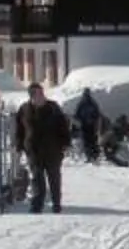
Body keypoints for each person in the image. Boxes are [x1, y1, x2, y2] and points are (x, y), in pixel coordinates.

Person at [18, 83, 73, 214]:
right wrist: (19, 145)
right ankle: (37, 206)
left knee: (54, 178)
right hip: (33, 151)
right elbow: (19, 129)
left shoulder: (53, 107)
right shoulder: (24, 109)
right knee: (37, 179)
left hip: (52, 150)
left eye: (42, 92)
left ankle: (56, 204)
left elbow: (63, 126)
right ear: (32, 96)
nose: (42, 95)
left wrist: (66, 143)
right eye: (38, 93)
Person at [72, 88, 104, 164]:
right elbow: (76, 115)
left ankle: (94, 156)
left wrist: (97, 124)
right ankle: (90, 156)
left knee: (92, 141)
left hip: (91, 126)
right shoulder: (82, 104)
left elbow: (97, 115)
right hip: (84, 126)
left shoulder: (92, 103)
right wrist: (78, 122)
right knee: (87, 141)